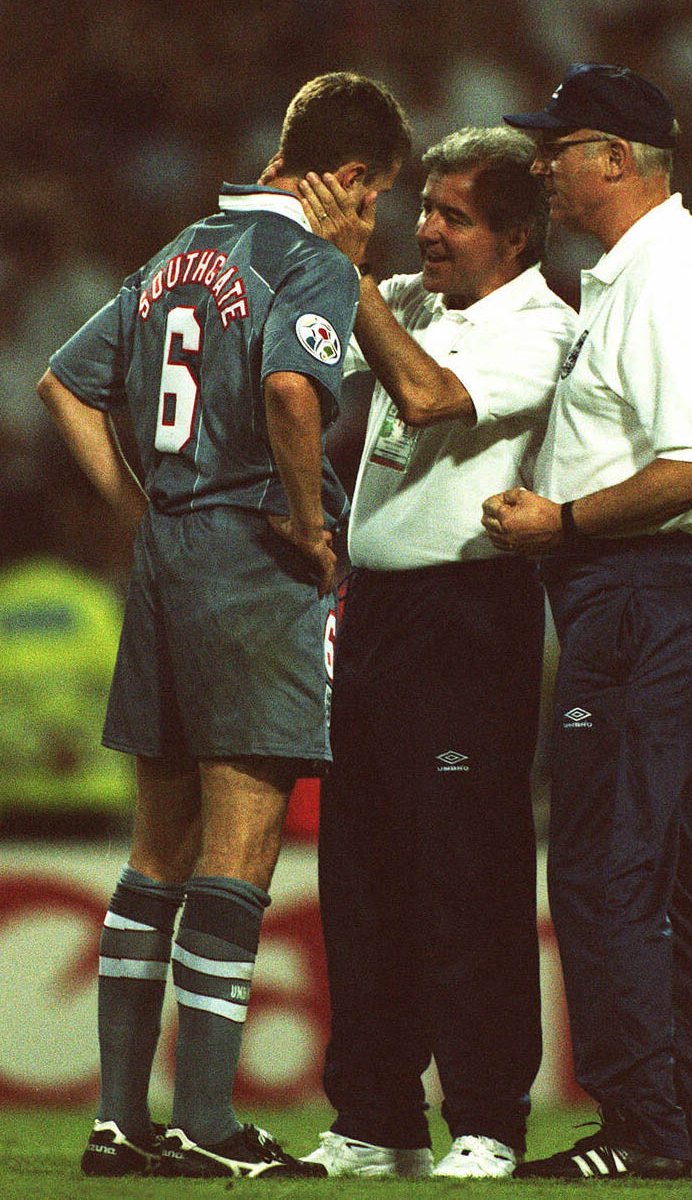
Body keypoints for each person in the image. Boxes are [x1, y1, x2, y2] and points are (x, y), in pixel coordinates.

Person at [37, 71, 410, 1181]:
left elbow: (65, 382)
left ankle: (117, 1120)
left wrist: (138, 508)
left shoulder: (176, 255)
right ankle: (204, 1120)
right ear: (346, 178)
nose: (376, 213)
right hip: (249, 555)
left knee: (154, 852)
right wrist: (306, 522)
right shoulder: (307, 261)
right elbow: (297, 393)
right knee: (239, 849)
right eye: (378, 193)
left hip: (164, 557)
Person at [482, 63, 692, 1181]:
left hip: (647, 593)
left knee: (603, 865)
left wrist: (560, 517)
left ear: (614, 158)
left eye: (558, 145)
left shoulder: (665, 280)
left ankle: (645, 1127)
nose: (542, 164)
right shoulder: (637, 275)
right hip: (655, 598)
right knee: (676, 874)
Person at [294, 126, 579, 1178]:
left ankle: (487, 1117)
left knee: (468, 872)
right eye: (426, 210)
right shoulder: (419, 299)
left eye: (453, 216)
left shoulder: (540, 329)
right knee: (362, 871)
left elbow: (423, 398)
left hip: (470, 616)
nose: (429, 232)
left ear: (512, 235)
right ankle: (371, 1116)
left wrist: (361, 275)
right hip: (373, 616)